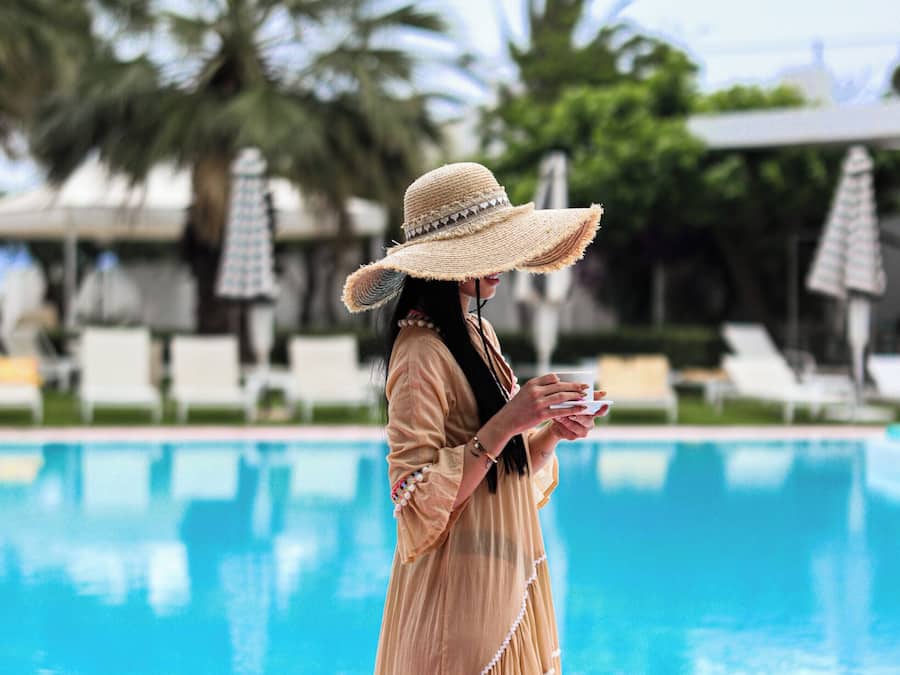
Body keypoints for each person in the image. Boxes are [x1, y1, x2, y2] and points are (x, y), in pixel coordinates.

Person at [342, 162, 604, 674]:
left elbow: (498, 479)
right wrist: (509, 421)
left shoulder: (476, 336)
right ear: (441, 263)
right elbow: (415, 499)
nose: (499, 265)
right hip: (456, 598)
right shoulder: (420, 352)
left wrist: (548, 434)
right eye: (485, 252)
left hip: (502, 577)